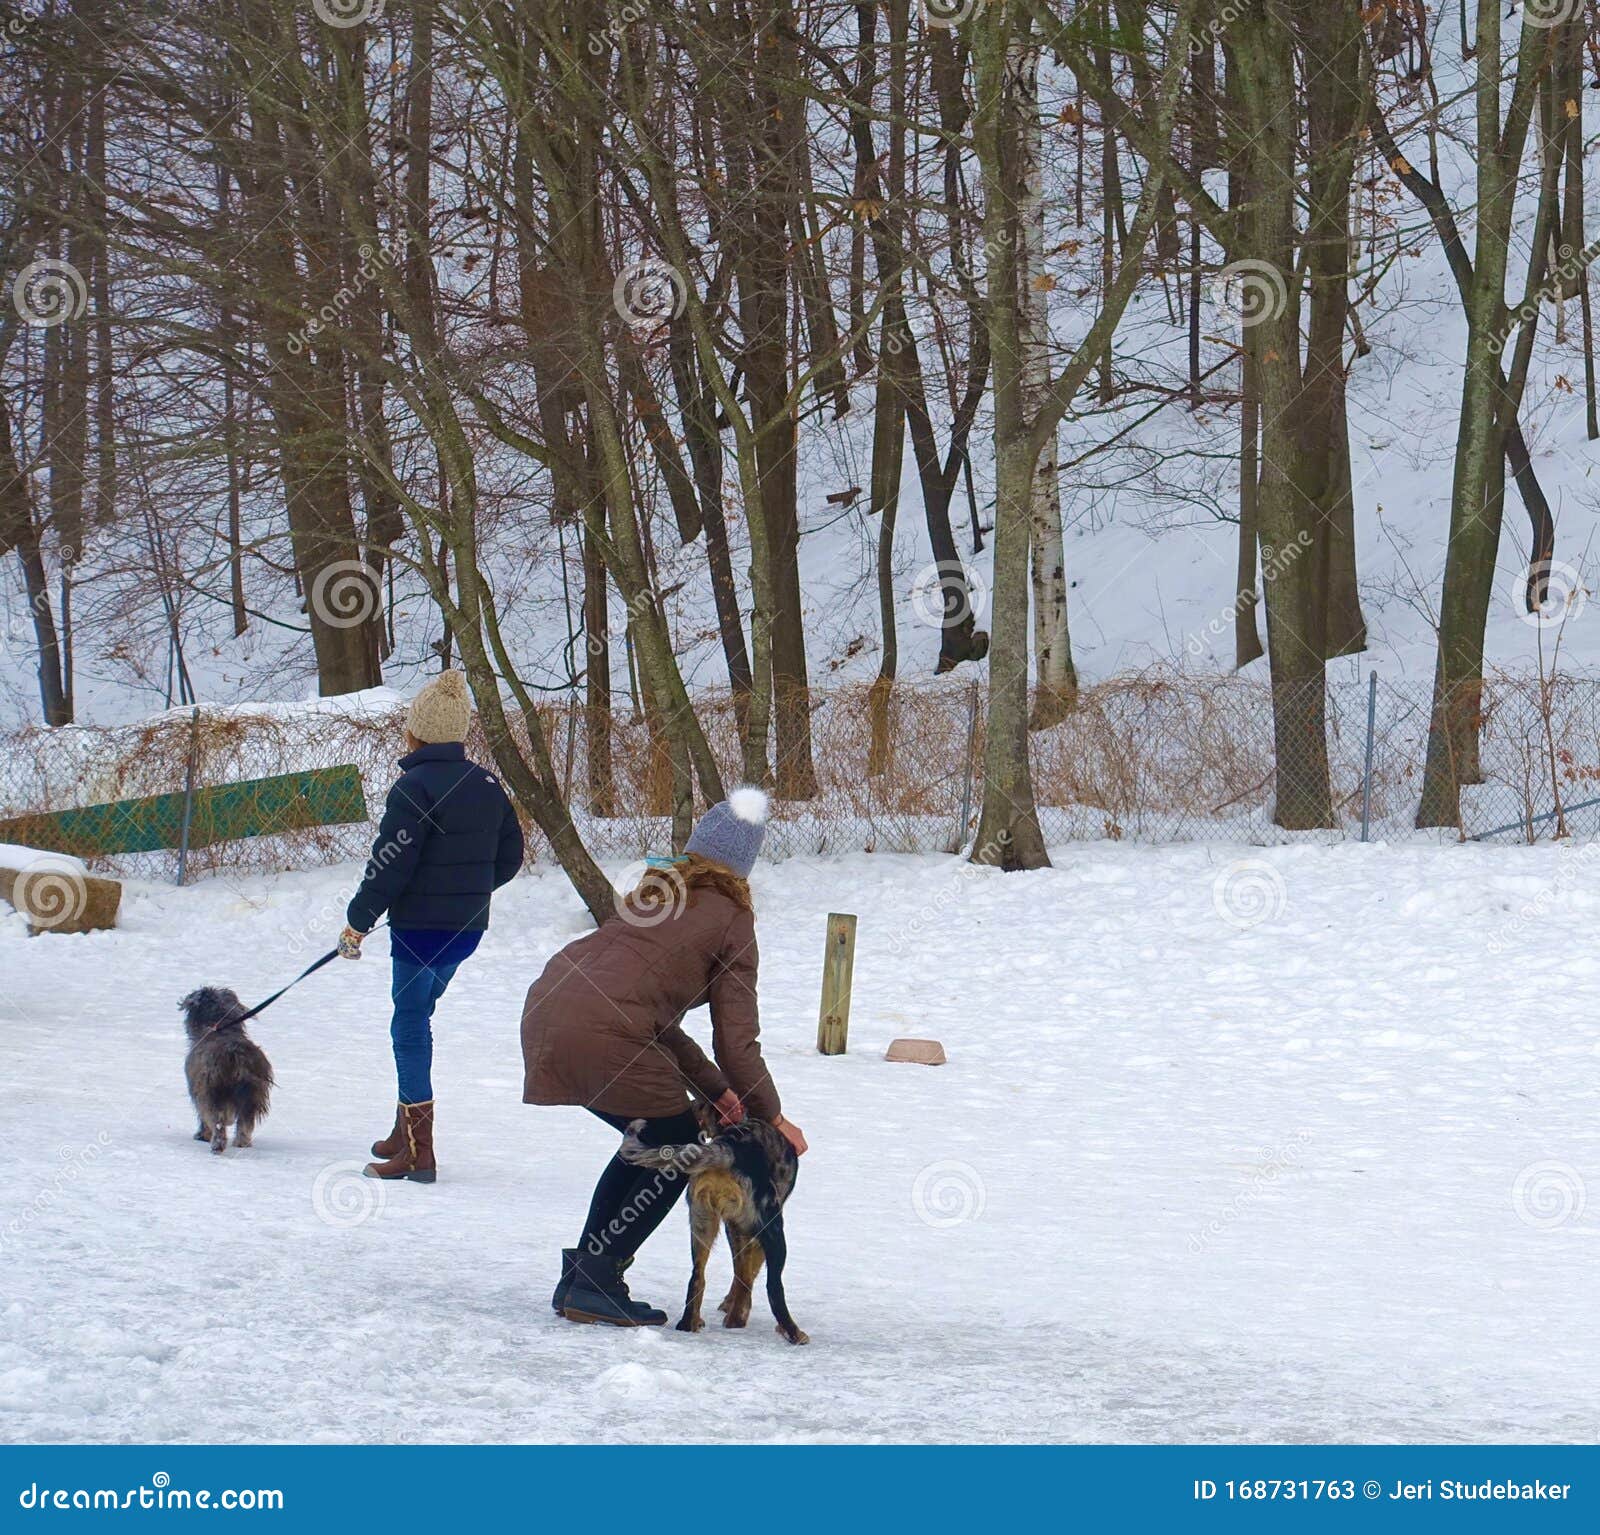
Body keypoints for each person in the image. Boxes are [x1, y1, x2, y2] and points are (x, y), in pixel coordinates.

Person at [521, 786, 806, 1326]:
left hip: (550, 1006)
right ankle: (596, 1277)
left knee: (649, 1144)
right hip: (604, 1032)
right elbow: (736, 1040)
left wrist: (718, 1091)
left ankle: (586, 1274)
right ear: (743, 867)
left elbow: (650, 1023)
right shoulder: (730, 919)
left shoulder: (656, 894)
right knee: (676, 1150)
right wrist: (773, 1116)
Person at [340, 669, 524, 1183]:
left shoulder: (412, 787)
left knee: (410, 1027)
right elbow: (511, 855)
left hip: (419, 932)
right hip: (466, 930)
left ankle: (418, 1153)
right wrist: (469, 894)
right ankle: (406, 1128)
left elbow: (389, 865)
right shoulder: (487, 783)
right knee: (419, 1016)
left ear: (416, 732)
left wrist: (357, 923)